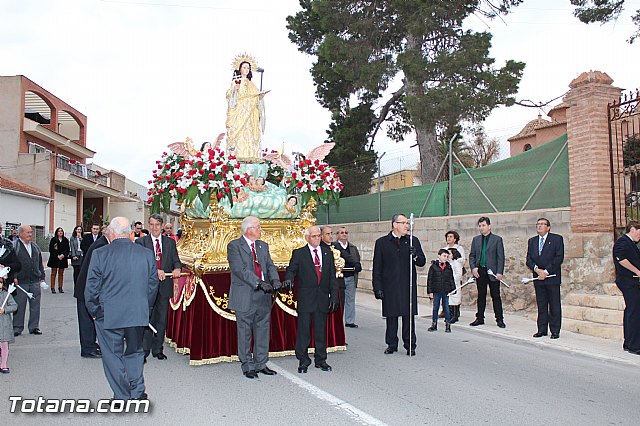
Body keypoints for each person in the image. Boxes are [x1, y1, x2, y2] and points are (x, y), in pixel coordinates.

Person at [85, 217, 158, 400]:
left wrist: (94, 311)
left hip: (108, 314)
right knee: (135, 352)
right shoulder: (146, 254)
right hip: (137, 313)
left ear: (112, 233)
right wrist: (145, 308)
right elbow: (152, 285)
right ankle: (138, 392)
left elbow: (91, 287)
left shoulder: (100, 254)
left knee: (112, 356)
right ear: (129, 233)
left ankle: (122, 396)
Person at [227, 216, 281, 379]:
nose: (260, 230)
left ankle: (261, 363)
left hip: (263, 295)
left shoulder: (262, 245)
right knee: (244, 331)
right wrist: (259, 283)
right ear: (249, 229)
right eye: (258, 227)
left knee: (263, 329)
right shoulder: (234, 246)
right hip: (245, 294)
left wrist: (275, 280)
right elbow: (239, 270)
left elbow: (269, 265)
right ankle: (247, 365)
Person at [284, 225, 339, 373]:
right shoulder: (299, 253)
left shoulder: (327, 253)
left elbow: (332, 278)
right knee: (304, 331)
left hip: (322, 298)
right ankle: (303, 359)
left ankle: (321, 360)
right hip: (306, 299)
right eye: (314, 236)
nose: (317, 238)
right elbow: (291, 270)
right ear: (307, 238)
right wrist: (288, 279)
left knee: (321, 331)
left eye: (319, 236)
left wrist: (334, 296)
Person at [372, 214, 426, 356]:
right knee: (391, 316)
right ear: (395, 225)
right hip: (390, 285)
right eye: (403, 223)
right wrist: (377, 287)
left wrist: (414, 255)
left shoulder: (413, 241)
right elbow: (377, 267)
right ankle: (391, 344)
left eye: (407, 223)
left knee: (408, 317)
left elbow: (422, 261)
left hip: (407, 285)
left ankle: (410, 345)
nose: (407, 226)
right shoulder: (382, 242)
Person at [136, 214, 181, 362]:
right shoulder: (141, 242)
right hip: (147, 288)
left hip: (164, 287)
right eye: (151, 224)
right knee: (147, 319)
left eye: (157, 225)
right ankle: (144, 350)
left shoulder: (170, 242)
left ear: (162, 226)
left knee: (161, 319)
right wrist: (155, 270)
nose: (154, 228)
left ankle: (158, 349)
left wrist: (177, 269)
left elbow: (176, 260)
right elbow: (140, 264)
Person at [526, 218, 565, 339]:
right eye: (538, 224)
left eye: (542, 224)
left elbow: (558, 258)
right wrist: (537, 270)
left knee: (554, 305)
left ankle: (555, 330)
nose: (540, 226)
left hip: (551, 277)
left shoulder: (556, 239)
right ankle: (542, 329)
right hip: (538, 278)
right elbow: (529, 260)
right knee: (541, 304)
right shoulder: (532, 241)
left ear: (548, 227)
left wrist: (546, 272)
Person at [74, 230, 109, 358]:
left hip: (87, 287)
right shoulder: (101, 245)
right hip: (86, 289)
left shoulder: (101, 243)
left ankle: (91, 345)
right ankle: (88, 348)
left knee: (89, 320)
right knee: (87, 321)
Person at [226, 59, 267, 162]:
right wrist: (235, 90)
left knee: (250, 134)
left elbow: (256, 99)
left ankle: (250, 155)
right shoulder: (235, 81)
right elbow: (230, 99)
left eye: (248, 68)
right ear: (239, 69)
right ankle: (236, 155)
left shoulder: (252, 85)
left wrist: (260, 97)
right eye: (244, 67)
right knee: (238, 134)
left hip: (250, 115)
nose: (246, 69)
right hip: (239, 114)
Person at [469, 217, 506, 328]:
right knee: (481, 295)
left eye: (483, 225)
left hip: (493, 271)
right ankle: (480, 318)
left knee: (496, 296)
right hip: (480, 270)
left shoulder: (497, 239)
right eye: (479, 226)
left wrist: (499, 272)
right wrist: (473, 268)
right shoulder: (476, 240)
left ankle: (499, 319)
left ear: (489, 226)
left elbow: (501, 257)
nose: (481, 228)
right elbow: (472, 256)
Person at [12, 225, 46, 336]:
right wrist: (14, 277)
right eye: (28, 232)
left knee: (35, 305)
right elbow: (12, 263)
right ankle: (17, 327)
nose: (30, 235)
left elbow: (39, 263)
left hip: (35, 280)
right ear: (20, 233)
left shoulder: (35, 247)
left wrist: (42, 277)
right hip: (21, 281)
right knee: (20, 305)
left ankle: (34, 327)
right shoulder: (15, 246)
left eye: (31, 232)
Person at [613, 221, 640, 355]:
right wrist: (637, 271)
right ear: (633, 229)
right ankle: (633, 345)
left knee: (632, 311)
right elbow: (620, 258)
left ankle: (629, 343)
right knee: (633, 312)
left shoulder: (630, 243)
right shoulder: (623, 242)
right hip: (627, 282)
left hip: (631, 282)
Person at [332, 226, 362, 328]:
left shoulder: (353, 248)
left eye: (346, 232)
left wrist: (357, 265)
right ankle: (338, 320)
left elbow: (357, 259)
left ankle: (350, 320)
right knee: (340, 300)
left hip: (351, 277)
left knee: (350, 299)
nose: (344, 234)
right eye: (341, 232)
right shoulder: (333, 247)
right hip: (339, 278)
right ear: (337, 235)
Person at [427, 249, 456, 333]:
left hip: (445, 290)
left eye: (447, 256)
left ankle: (447, 325)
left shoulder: (448, 266)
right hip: (436, 290)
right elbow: (430, 280)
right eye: (444, 256)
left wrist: (453, 289)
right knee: (435, 307)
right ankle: (434, 324)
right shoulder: (433, 266)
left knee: (446, 308)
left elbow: (451, 278)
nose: (445, 258)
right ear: (439, 256)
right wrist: (430, 291)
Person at [443, 230, 465, 323]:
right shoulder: (445, 248)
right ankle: (449, 313)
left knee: (456, 294)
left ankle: (456, 313)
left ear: (455, 238)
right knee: (449, 295)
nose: (449, 238)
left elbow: (462, 259)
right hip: (447, 273)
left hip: (455, 273)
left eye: (451, 236)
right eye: (447, 237)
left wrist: (455, 262)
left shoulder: (459, 248)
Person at [0, 283, 17, 374]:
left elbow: (14, 306)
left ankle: (3, 365)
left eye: (0, 282)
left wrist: (5, 310)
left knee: (4, 344)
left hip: (3, 323)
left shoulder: (6, 294)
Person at [47, 227, 70, 293]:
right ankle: (52, 287)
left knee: (61, 273)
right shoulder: (54, 240)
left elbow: (67, 250)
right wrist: (57, 256)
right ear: (57, 232)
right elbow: (51, 249)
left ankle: (60, 287)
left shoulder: (65, 240)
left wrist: (63, 255)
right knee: (53, 273)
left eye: (61, 231)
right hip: (54, 258)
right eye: (59, 231)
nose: (60, 232)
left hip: (62, 259)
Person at [447, 247, 464, 324]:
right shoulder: (449, 263)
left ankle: (455, 315)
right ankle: (450, 315)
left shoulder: (457, 263)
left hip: (455, 284)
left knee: (455, 300)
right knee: (450, 300)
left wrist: (452, 280)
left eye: (449, 253)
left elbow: (458, 274)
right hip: (448, 284)